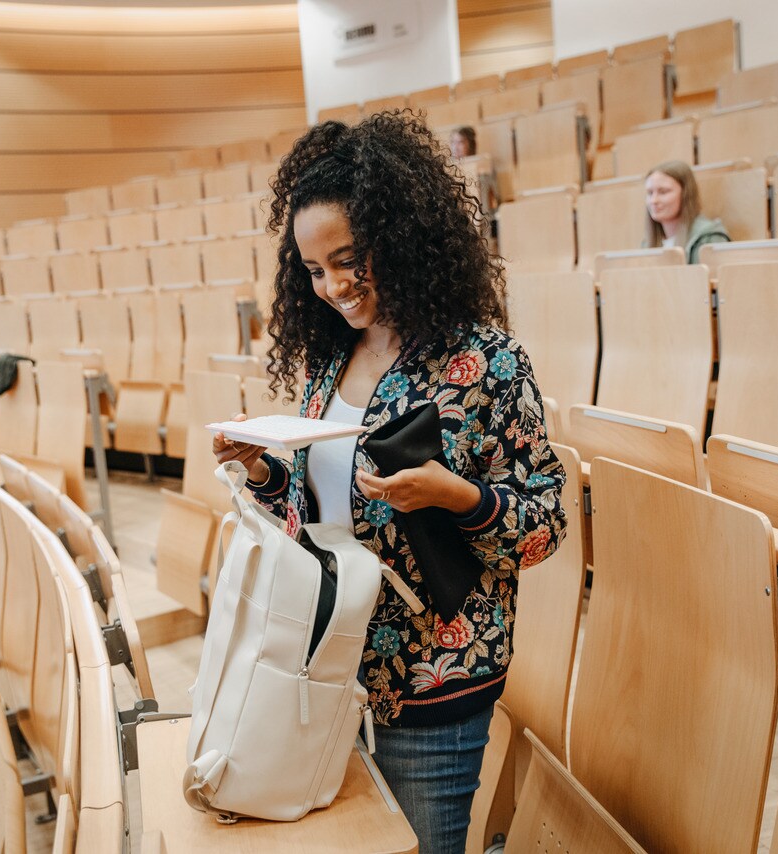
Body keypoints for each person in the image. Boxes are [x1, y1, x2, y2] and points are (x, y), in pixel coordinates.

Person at [212, 112, 567, 854]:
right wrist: (263, 469)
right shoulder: (328, 359)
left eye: (350, 259)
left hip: (434, 679)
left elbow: (545, 524)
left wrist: (457, 496)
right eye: (313, 271)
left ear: (400, 236)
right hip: (330, 667)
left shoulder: (488, 360)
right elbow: (323, 506)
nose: (334, 287)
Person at [643, 160, 730, 264]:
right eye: (650, 193)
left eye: (663, 192)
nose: (654, 200)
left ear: (685, 194)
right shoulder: (647, 244)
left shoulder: (709, 238)